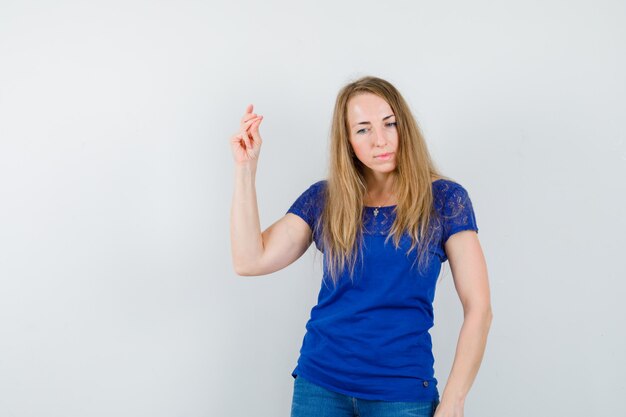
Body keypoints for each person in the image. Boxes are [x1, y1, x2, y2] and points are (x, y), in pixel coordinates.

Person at [230, 76, 492, 417]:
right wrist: (245, 169)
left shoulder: (444, 199)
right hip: (320, 386)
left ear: (404, 127)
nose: (380, 140)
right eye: (363, 129)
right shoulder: (325, 199)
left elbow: (479, 308)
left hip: (401, 391)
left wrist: (454, 400)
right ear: (348, 140)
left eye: (389, 124)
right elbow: (250, 260)